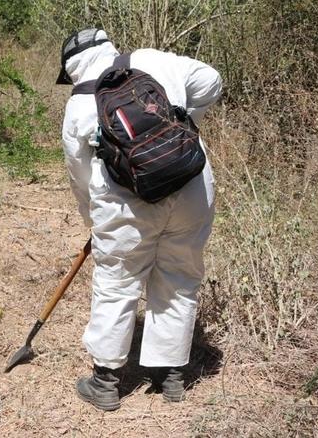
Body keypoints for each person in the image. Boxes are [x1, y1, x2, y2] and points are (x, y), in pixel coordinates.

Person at [59, 28, 222, 411]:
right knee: (180, 276)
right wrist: (183, 120)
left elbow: (79, 173)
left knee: (117, 281)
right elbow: (211, 81)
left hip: (125, 202)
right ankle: (171, 377)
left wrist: (92, 221)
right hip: (191, 182)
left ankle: (105, 383)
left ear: (71, 67)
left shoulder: (80, 101)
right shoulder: (154, 59)